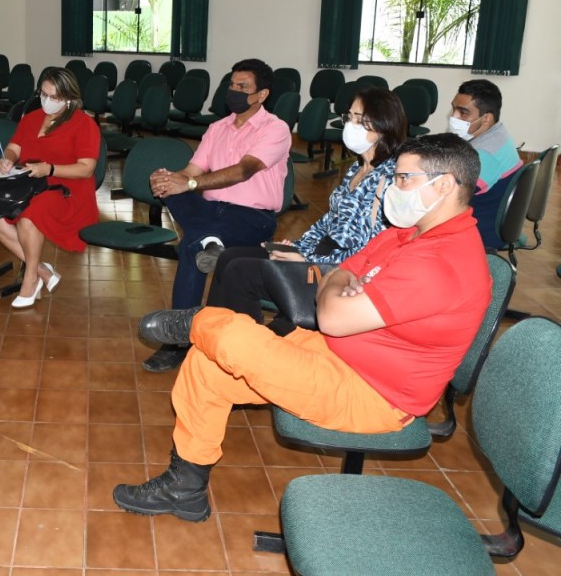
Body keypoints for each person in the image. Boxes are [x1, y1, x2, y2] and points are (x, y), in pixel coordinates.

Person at [113, 134, 490, 523]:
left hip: (372, 393)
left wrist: (339, 286)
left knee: (226, 335)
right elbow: (342, 270)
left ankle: (193, 322)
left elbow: (331, 315)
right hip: (338, 351)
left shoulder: (440, 262)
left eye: (403, 179)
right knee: (208, 363)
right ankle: (184, 489)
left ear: (444, 184)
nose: (392, 188)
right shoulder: (408, 233)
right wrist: (340, 283)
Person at [161, 87, 406, 336]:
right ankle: (214, 334)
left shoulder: (388, 180)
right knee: (228, 257)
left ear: (382, 126)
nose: (350, 125)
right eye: (349, 117)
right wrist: (298, 247)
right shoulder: (358, 169)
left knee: (239, 272)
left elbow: (373, 252)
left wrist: (308, 260)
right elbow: (327, 223)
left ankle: (242, 343)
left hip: (334, 272)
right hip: (316, 255)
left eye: (358, 120)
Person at [142, 58, 291, 372]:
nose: (233, 91)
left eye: (242, 87)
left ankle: (176, 342)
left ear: (261, 95)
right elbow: (190, 172)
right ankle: (209, 241)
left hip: (251, 218)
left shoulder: (275, 129)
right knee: (174, 191)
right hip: (211, 213)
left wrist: (191, 182)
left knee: (190, 248)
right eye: (232, 85)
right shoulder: (217, 128)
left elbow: (242, 171)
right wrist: (168, 178)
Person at [0, 67, 100, 308]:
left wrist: (49, 169)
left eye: (54, 97)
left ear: (70, 98)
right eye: (44, 94)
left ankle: (30, 279)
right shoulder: (32, 117)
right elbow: (14, 147)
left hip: (68, 189)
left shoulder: (84, 124)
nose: (46, 101)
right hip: (33, 183)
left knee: (30, 216)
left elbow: (86, 169)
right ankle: (41, 270)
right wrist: (7, 158)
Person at [447, 79, 522, 248]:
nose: (454, 117)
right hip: (489, 217)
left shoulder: (485, 154)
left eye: (463, 112)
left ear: (486, 119)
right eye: (454, 108)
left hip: (480, 228)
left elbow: (447, 197)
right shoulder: (498, 132)